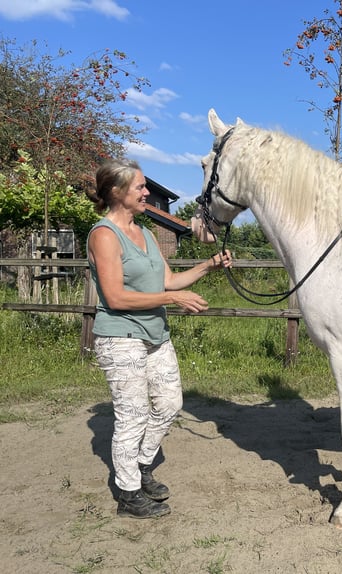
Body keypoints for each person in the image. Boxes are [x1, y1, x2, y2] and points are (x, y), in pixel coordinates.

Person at [86, 159, 232, 518]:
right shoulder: (104, 235)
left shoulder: (147, 233)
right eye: (139, 187)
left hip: (155, 334)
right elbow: (116, 297)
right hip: (121, 337)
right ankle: (128, 493)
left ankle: (141, 466)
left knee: (169, 403)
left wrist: (208, 265)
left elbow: (168, 281)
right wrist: (171, 299)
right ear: (118, 193)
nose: (147, 192)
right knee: (132, 415)